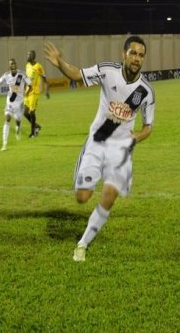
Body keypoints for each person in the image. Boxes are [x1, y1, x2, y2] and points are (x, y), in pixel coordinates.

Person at [44, 36, 155, 262]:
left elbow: (148, 127)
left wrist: (136, 138)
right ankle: (83, 173)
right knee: (83, 197)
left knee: (109, 196)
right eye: (133, 53)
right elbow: (78, 75)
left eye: (141, 55)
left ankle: (82, 244)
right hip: (99, 139)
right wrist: (60, 63)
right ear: (123, 54)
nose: (137, 58)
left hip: (120, 149)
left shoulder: (145, 92)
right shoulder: (107, 71)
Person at [0, 58, 32, 151]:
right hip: (10, 101)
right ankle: (4, 144)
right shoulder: (6, 75)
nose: (13, 65)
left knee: (18, 119)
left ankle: (18, 128)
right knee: (7, 118)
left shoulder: (22, 74)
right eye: (11, 64)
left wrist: (27, 94)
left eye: (14, 63)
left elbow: (30, 85)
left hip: (19, 102)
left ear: (16, 65)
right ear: (9, 66)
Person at [24, 50, 50, 138]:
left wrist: (46, 91)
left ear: (33, 56)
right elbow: (27, 78)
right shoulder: (27, 66)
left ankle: (33, 132)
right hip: (27, 91)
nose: (27, 56)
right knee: (25, 112)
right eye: (27, 54)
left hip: (34, 92)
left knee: (31, 112)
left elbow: (45, 80)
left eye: (29, 55)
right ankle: (36, 126)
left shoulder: (38, 66)